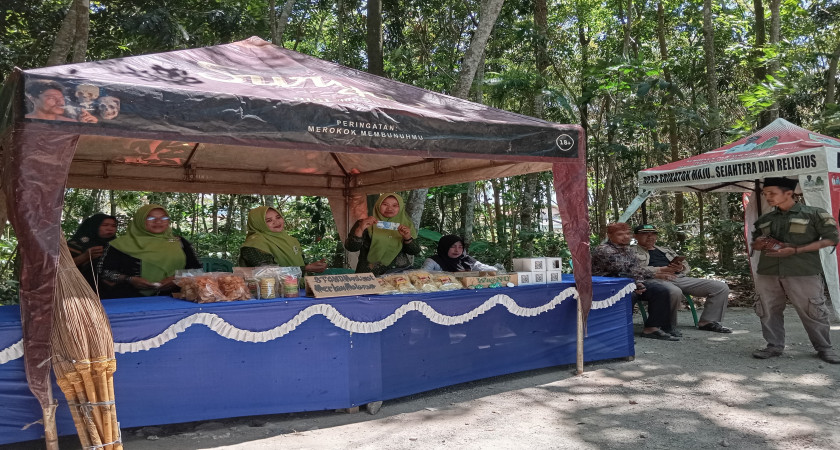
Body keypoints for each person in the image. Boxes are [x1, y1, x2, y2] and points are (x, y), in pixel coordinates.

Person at [750, 177, 840, 364]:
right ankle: (774, 345)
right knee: (767, 309)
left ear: (789, 193)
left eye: (772, 193)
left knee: (813, 310)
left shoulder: (814, 214)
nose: (768, 197)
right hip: (768, 271)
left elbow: (831, 239)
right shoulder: (765, 219)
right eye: (765, 194)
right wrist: (758, 244)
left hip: (802, 270)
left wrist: (797, 250)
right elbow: (755, 243)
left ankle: (825, 348)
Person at [631, 224, 732, 334]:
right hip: (653, 279)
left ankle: (708, 322)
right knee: (673, 291)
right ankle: (666, 325)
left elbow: (686, 266)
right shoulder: (630, 251)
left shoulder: (665, 250)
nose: (650, 237)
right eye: (645, 234)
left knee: (720, 287)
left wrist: (680, 267)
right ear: (635, 236)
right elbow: (632, 270)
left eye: (653, 234)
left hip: (677, 277)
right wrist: (660, 270)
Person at [592, 222, 678, 341]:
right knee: (629, 295)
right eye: (620, 234)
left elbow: (635, 269)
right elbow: (621, 270)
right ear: (610, 236)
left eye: (628, 234)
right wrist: (639, 282)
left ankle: (652, 328)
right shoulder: (604, 250)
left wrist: (639, 282)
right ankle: (619, 332)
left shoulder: (628, 249)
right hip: (607, 285)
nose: (626, 237)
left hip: (627, 282)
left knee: (660, 290)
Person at [97, 204, 201, 298]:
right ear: (140, 220)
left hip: (175, 298)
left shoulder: (179, 242)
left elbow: (198, 271)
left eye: (164, 218)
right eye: (151, 218)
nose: (158, 221)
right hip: (128, 300)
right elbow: (103, 272)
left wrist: (177, 279)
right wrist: (130, 279)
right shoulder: (119, 244)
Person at [345, 193, 420, 276]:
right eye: (385, 204)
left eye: (395, 205)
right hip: (369, 273)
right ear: (378, 205)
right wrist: (360, 229)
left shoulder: (406, 225)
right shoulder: (364, 223)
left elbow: (415, 251)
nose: (389, 208)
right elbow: (351, 247)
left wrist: (407, 238)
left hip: (398, 274)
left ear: (401, 207)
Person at [238, 206, 327, 273]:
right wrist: (307, 268)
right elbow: (267, 272)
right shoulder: (255, 243)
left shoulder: (291, 240)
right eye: (269, 220)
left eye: (278, 217)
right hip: (269, 291)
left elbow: (300, 263)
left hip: (298, 288)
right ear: (259, 224)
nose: (276, 222)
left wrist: (314, 267)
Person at [67, 213, 117, 290]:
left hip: (112, 292)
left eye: (113, 226)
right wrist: (85, 256)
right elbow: (61, 267)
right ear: (95, 226)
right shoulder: (77, 243)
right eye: (105, 225)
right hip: (79, 289)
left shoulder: (117, 246)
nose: (110, 228)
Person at [24, 80, 97, 123]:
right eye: (52, 98)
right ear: (33, 99)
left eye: (62, 98)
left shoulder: (71, 122)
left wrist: (87, 125)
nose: (60, 102)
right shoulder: (23, 121)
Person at [421, 234, 496, 272]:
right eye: (452, 247)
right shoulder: (433, 261)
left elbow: (482, 267)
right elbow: (421, 275)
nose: (457, 250)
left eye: (460, 247)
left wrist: (497, 270)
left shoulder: (466, 260)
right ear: (444, 247)